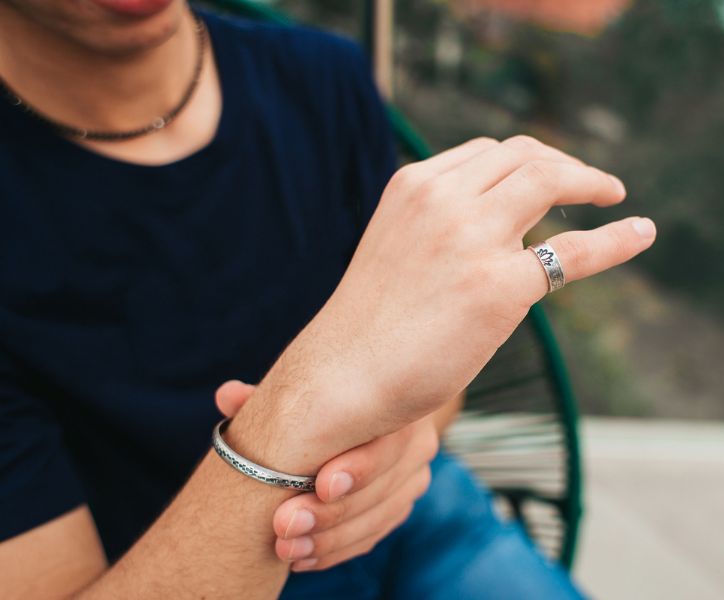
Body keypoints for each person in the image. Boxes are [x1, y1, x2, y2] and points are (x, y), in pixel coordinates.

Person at [0, 1, 656, 598]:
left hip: (417, 515)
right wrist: (294, 421)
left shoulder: (320, 77)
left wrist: (398, 448)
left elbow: (433, 368)